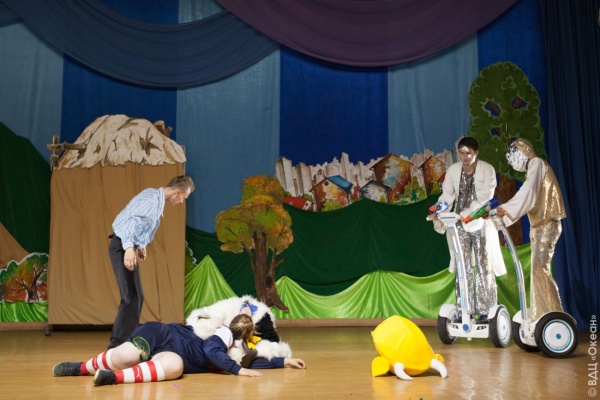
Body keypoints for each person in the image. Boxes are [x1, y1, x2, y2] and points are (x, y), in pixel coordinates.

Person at [53, 314, 307, 386]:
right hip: (161, 334)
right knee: (126, 356)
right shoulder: (221, 334)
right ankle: (81, 367)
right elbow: (212, 351)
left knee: (175, 367)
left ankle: (112, 378)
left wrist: (283, 361)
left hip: (172, 354)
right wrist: (238, 371)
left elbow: (250, 362)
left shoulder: (232, 352)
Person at [108, 175, 195, 349]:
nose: (181, 202)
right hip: (122, 245)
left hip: (128, 245)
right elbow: (130, 222)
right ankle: (116, 347)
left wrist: (140, 245)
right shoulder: (152, 201)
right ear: (178, 192)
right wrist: (129, 247)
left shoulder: (154, 196)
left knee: (137, 297)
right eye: (183, 198)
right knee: (129, 298)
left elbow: (139, 222)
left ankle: (127, 343)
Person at [431, 136, 505, 323]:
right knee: (461, 267)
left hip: (480, 222)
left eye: (469, 153)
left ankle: (487, 312)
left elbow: (485, 198)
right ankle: (465, 310)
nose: (465, 157)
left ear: (476, 153)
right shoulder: (453, 170)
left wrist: (467, 214)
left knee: (483, 266)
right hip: (459, 225)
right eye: (462, 153)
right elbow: (447, 196)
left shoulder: (487, 170)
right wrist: (438, 209)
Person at [495, 138, 565, 320]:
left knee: (539, 269)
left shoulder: (537, 163)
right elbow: (528, 201)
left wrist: (506, 209)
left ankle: (554, 315)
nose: (512, 163)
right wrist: (501, 217)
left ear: (523, 152)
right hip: (538, 226)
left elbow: (528, 193)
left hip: (546, 224)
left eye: (513, 157)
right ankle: (542, 313)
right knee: (537, 271)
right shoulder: (533, 169)